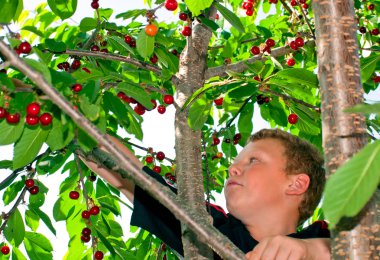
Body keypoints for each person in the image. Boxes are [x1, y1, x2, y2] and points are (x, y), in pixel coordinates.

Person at [82, 129, 331, 259]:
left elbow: (365, 245)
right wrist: (67, 119)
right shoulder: (207, 226)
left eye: (254, 160)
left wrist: (315, 251)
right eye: (235, 162)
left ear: (297, 184)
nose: (233, 168)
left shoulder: (323, 236)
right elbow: (131, 176)